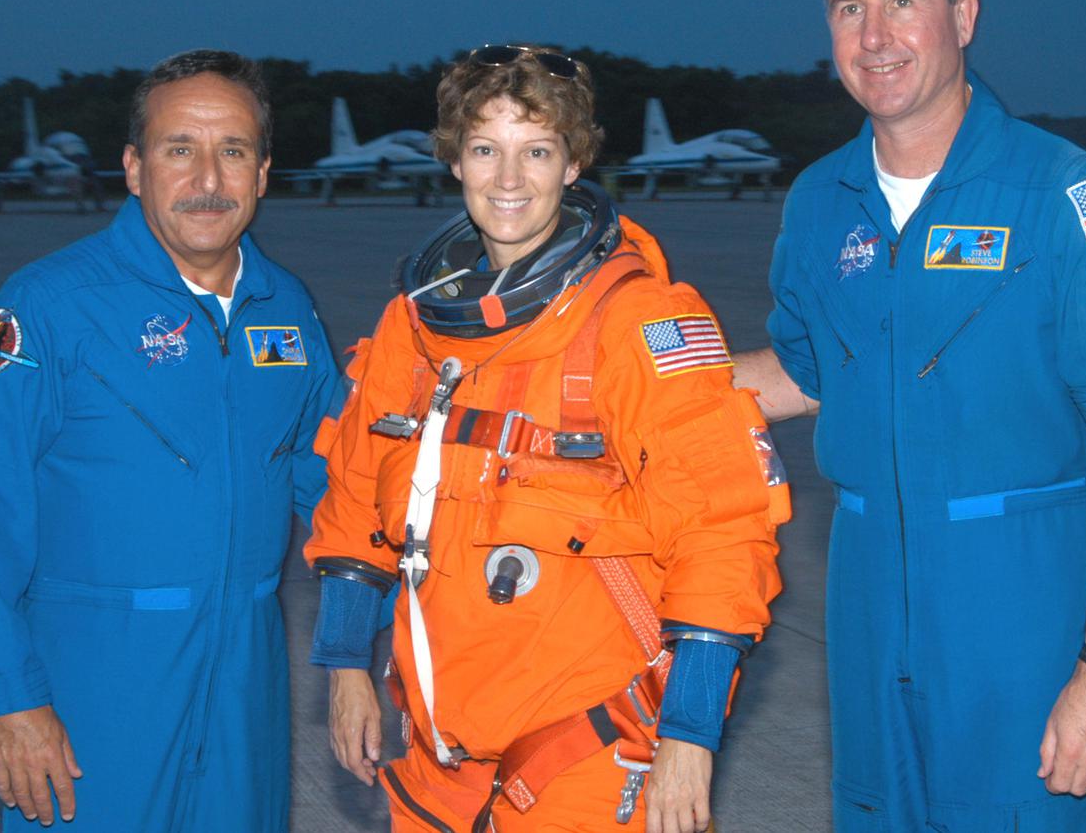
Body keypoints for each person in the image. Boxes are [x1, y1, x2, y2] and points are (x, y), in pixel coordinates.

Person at [735, 0, 1086, 833]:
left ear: (965, 15)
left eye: (903, 0)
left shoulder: (1069, 196)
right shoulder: (822, 201)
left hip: (1019, 617)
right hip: (865, 609)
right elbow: (807, 375)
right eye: (848, 7)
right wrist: (616, 383)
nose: (875, 35)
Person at [304, 44, 791, 832]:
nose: (507, 179)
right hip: (438, 756)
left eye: (536, 151)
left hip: (585, 752)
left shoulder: (639, 321)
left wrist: (690, 737)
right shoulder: (413, 326)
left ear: (573, 164)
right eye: (484, 149)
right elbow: (359, 488)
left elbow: (722, 525)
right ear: (454, 161)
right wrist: (344, 664)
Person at [0, 50, 341, 831]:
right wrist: (10, 698)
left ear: (262, 174)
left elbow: (332, 476)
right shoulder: (44, 313)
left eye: (234, 152)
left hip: (245, 681)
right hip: (94, 684)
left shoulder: (284, 307)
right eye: (179, 148)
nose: (208, 180)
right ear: (132, 167)